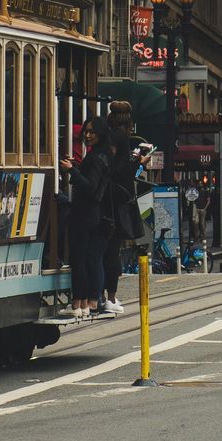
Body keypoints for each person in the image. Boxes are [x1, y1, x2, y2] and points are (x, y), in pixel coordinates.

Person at [58, 116, 112, 321]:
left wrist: (72, 171)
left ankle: (78, 303)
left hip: (84, 213)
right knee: (88, 259)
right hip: (94, 214)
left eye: (92, 132)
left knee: (78, 258)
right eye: (86, 131)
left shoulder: (96, 158)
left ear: (101, 133)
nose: (88, 135)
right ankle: (87, 302)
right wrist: (77, 169)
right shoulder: (103, 156)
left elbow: (90, 188)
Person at [97, 103, 143, 316]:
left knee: (101, 250)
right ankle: (111, 298)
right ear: (127, 122)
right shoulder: (122, 138)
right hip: (115, 202)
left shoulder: (105, 135)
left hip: (100, 198)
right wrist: (139, 162)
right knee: (113, 251)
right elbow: (122, 172)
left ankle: (99, 295)